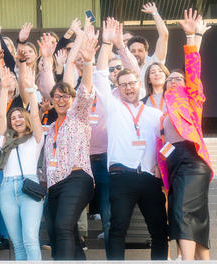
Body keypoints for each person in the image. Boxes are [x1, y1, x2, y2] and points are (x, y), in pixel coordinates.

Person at [94, 25, 168, 259]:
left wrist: (160, 163)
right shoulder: (113, 107)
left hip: (149, 178)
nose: (128, 87)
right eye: (123, 84)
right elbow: (99, 75)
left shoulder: (154, 114)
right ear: (117, 88)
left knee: (159, 231)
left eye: (132, 83)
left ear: (140, 85)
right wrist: (107, 44)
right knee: (117, 230)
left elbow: (165, 145)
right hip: (121, 177)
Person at [157, 9, 212, 260]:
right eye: (172, 80)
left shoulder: (192, 99)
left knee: (182, 211)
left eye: (179, 78)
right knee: (195, 215)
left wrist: (192, 37)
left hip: (192, 160)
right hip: (174, 164)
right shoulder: (161, 113)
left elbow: (193, 70)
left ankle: (186, 261)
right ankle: (204, 259)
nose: (175, 81)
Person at [39, 23, 96, 260]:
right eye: (57, 96)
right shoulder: (49, 128)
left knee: (62, 226)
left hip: (76, 178)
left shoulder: (78, 115)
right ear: (52, 100)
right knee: (61, 230)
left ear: (72, 99)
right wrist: (45, 59)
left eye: (65, 96)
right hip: (54, 184)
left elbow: (85, 92)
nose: (61, 99)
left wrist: (88, 63)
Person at [0, 63, 45, 260]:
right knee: (17, 243)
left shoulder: (35, 138)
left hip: (29, 186)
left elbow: (34, 114)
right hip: (7, 188)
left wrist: (31, 90)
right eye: (13, 117)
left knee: (30, 238)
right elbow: (0, 115)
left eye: (20, 116)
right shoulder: (4, 139)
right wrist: (3, 90)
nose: (16, 119)